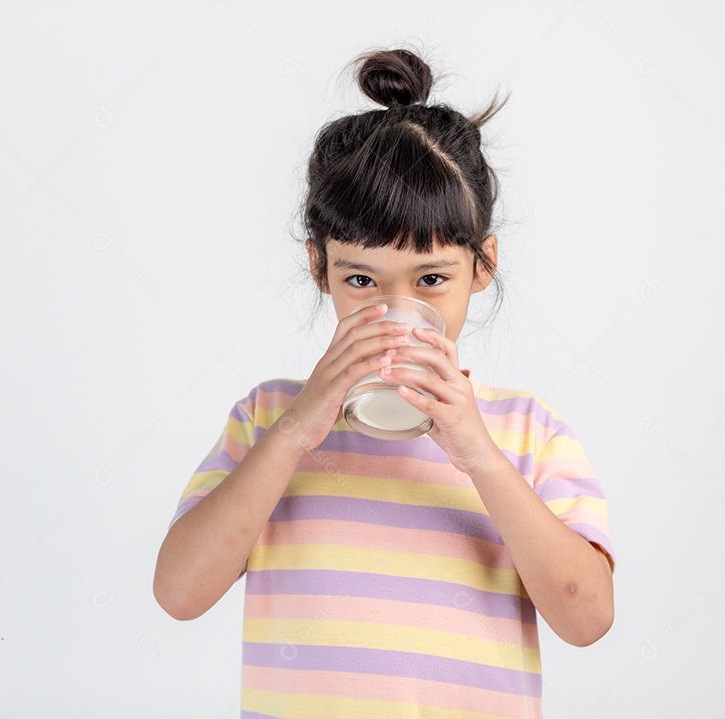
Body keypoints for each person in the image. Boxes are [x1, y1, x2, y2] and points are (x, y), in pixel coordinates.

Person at [153, 45, 615, 719]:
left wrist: (477, 452)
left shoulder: (526, 431)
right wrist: (295, 433)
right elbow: (179, 594)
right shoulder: (268, 417)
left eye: (431, 279)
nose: (391, 308)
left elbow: (587, 619)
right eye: (361, 280)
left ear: (483, 263)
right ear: (319, 267)